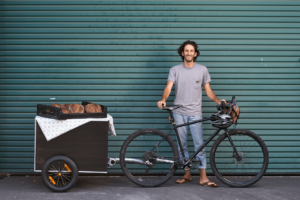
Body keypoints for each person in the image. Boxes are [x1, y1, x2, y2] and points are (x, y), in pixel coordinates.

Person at [157, 40, 225, 187]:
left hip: (195, 112)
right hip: (178, 112)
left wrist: (218, 101)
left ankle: (203, 177)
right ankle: (187, 174)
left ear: (195, 53)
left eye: (191, 51)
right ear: (182, 53)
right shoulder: (175, 69)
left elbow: (208, 90)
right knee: (182, 145)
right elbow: (168, 87)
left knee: (199, 144)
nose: (188, 53)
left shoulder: (202, 70)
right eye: (186, 51)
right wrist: (163, 99)